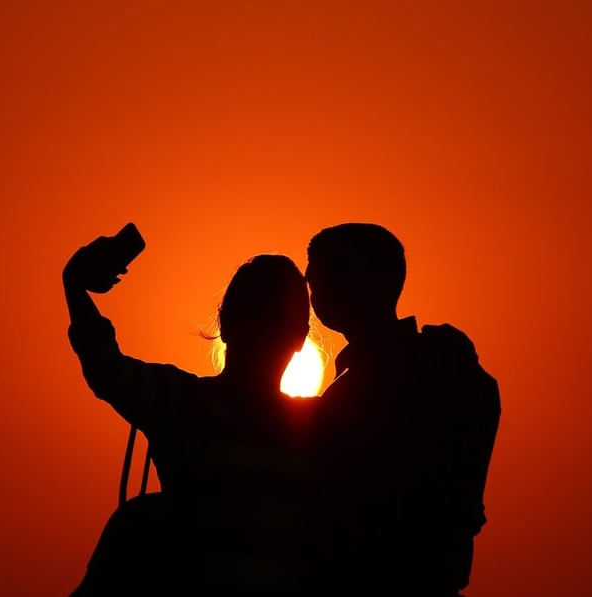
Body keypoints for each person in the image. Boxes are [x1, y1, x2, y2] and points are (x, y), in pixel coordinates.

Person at [63, 234, 315, 596]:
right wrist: (73, 286)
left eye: (274, 319)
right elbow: (106, 366)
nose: (264, 331)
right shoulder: (317, 427)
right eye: (259, 315)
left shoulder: (179, 399)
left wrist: (74, 284)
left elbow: (105, 366)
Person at [303, 222, 501, 596]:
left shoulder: (437, 372)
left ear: (382, 279)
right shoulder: (446, 367)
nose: (319, 291)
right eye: (314, 279)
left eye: (337, 271)